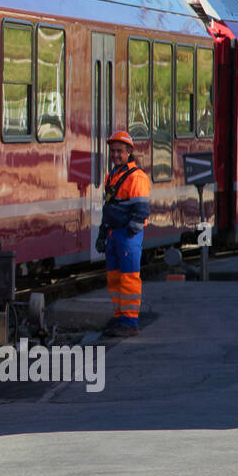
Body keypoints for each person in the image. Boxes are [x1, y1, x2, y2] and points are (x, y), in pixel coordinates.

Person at [95, 130, 150, 337]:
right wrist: (103, 234)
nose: (115, 155)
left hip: (126, 236)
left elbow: (142, 210)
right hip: (113, 234)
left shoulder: (137, 177)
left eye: (119, 151)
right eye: (112, 151)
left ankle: (129, 321)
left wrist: (129, 233)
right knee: (115, 279)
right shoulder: (113, 176)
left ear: (129, 152)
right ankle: (120, 317)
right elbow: (107, 208)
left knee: (128, 279)